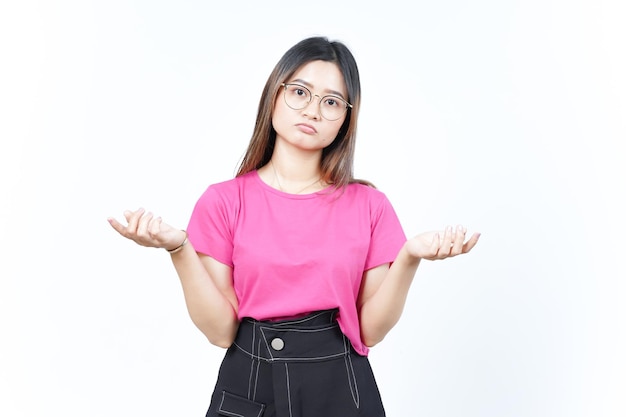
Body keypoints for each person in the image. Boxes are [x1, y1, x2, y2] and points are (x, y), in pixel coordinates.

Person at [108, 36, 480, 417]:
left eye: (332, 101)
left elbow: (370, 331)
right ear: (274, 94)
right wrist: (179, 248)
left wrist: (409, 258)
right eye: (300, 92)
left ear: (346, 119)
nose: (314, 111)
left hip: (342, 390)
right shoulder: (223, 201)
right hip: (249, 387)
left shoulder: (370, 206)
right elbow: (221, 332)